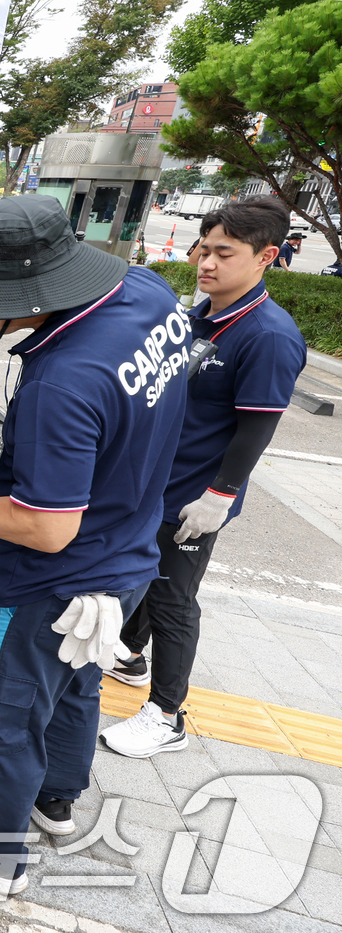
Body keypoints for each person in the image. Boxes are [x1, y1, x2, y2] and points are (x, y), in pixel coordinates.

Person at [0, 196, 190, 896]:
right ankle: (56, 799)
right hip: (124, 556)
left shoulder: (65, 381)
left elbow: (47, 525)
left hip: (47, 581)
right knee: (76, 680)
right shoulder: (145, 290)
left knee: (0, 714)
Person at [102, 198, 306, 758]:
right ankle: (130, 653)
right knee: (143, 573)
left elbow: (255, 429)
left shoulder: (268, 335)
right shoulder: (204, 316)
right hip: (156, 484)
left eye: (224, 253)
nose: (206, 263)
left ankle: (166, 716)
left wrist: (220, 495)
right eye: (203, 250)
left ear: (267, 257)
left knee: (172, 599)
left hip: (195, 497)